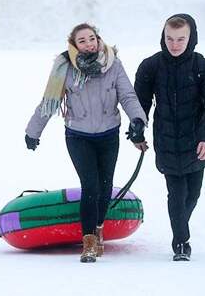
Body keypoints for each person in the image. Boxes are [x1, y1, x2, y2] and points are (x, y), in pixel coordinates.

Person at [25, 23, 148, 263]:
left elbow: (127, 95)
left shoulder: (113, 63)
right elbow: (49, 101)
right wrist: (33, 131)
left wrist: (137, 120)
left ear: (98, 39)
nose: (89, 43)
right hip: (78, 136)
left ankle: (99, 227)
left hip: (109, 135)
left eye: (92, 38)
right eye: (82, 41)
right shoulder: (64, 68)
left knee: (105, 187)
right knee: (91, 186)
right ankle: (89, 241)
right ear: (74, 45)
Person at [134, 14, 205, 261]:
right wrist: (137, 131)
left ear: (191, 38)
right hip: (167, 142)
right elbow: (139, 105)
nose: (174, 44)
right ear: (163, 38)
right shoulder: (151, 66)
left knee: (192, 194)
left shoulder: (203, 67)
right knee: (176, 194)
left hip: (197, 143)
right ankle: (181, 242)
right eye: (170, 39)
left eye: (180, 39)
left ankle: (180, 227)